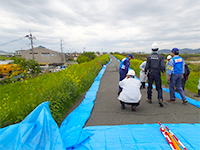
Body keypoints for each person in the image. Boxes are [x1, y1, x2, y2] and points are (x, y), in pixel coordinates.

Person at [145, 42, 165, 107]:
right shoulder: (160, 56)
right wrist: (163, 71)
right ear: (158, 49)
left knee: (149, 86)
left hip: (150, 73)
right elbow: (162, 65)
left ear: (151, 49)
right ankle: (160, 98)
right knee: (159, 87)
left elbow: (147, 65)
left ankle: (149, 98)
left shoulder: (149, 56)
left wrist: (146, 72)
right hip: (157, 73)